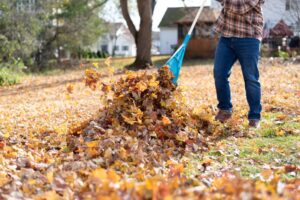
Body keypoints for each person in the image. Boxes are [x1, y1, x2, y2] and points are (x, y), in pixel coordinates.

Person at [213, 0, 264, 128]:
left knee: (251, 78)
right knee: (219, 73)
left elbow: (240, 7)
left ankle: (254, 116)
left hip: (249, 37)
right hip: (226, 36)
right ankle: (225, 109)